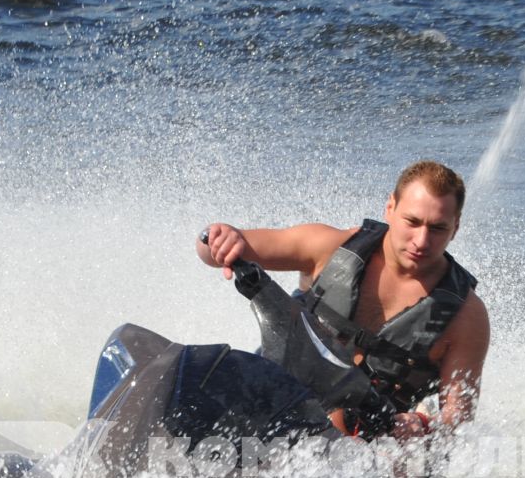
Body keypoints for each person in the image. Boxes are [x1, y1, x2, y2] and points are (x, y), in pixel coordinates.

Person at [197, 160, 489, 440]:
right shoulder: (329, 248)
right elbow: (210, 250)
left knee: (402, 461)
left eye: (437, 228)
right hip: (275, 401)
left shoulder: (466, 317)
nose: (421, 241)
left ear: (456, 226)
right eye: (412, 222)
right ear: (390, 207)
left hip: (367, 445)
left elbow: (458, 421)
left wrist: (423, 425)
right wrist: (221, 238)